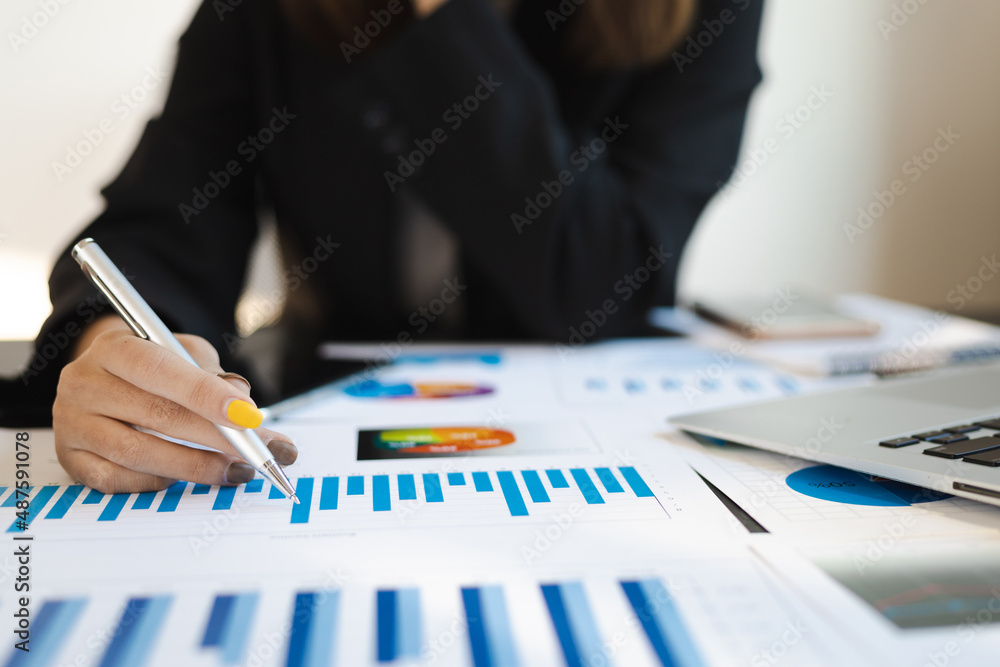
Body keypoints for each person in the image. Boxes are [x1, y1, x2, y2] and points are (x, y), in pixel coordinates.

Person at [25, 0, 764, 493]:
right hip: (326, 407)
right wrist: (114, 341)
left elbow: (599, 283)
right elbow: (161, 225)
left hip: (600, 441)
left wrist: (446, 14)